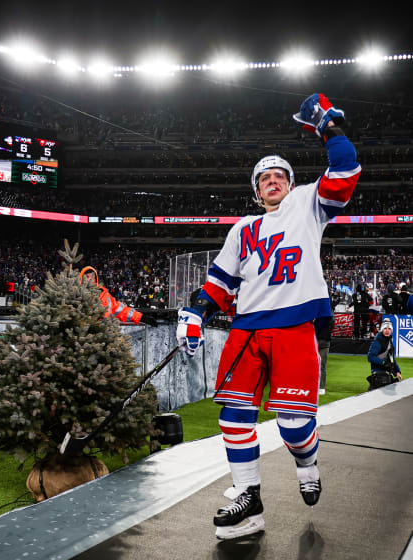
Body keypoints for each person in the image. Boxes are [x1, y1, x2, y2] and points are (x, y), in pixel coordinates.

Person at [176, 93, 361, 539]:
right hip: (247, 331)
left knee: (294, 427)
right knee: (233, 417)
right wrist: (195, 311)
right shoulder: (243, 228)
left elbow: (346, 169)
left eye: (280, 175)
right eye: (265, 178)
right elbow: (220, 282)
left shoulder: (307, 204)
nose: (273, 181)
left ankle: (307, 461)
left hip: (294, 328)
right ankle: (249, 501)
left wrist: (327, 127)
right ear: (256, 190)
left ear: (290, 183)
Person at [80, 266, 157, 326]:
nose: (90, 279)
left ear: (96, 279)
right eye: (87, 277)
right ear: (82, 279)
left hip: (103, 338)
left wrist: (142, 318)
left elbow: (121, 310)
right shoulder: (77, 296)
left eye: (92, 277)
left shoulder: (105, 296)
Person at [367, 319, 402, 390]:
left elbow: (392, 359)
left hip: (386, 373)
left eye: (389, 329)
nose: (387, 330)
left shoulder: (389, 342)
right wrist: (383, 362)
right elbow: (370, 357)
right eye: (385, 328)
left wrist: (397, 371)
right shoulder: (377, 341)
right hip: (378, 373)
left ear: (391, 331)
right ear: (382, 330)